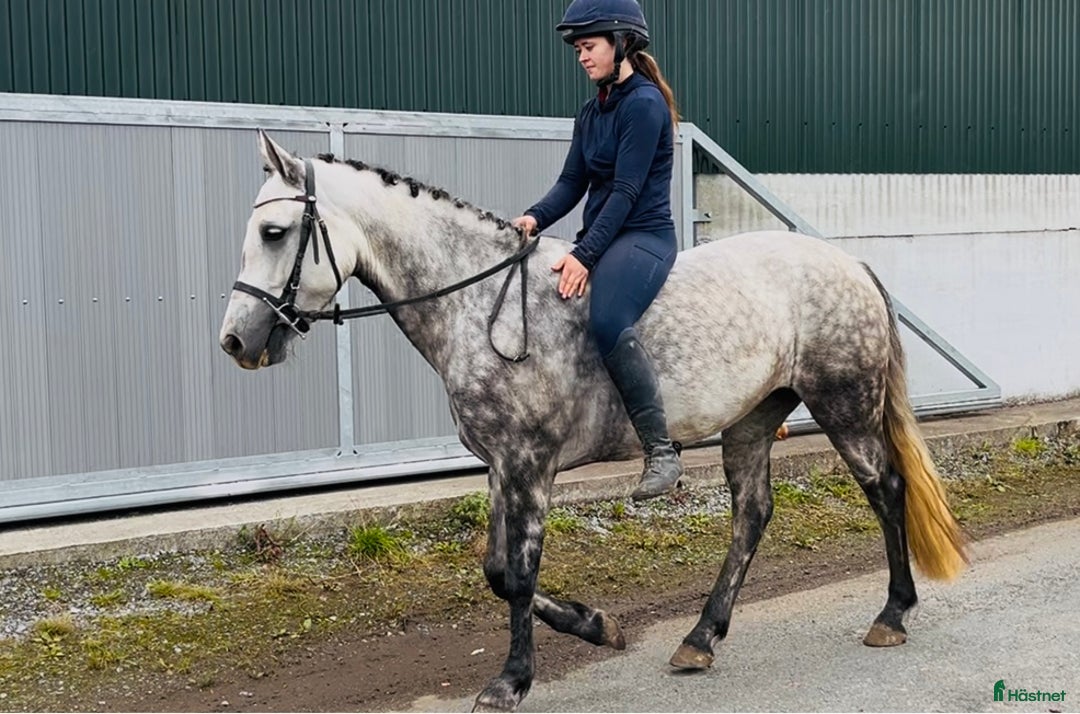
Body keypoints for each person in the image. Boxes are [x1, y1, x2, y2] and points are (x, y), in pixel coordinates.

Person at [511, 0, 683, 501]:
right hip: (606, 234)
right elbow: (572, 182)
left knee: (606, 320)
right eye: (578, 49)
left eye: (589, 47)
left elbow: (627, 192)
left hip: (644, 236)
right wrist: (534, 218)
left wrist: (584, 254)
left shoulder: (644, 104)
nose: (581, 57)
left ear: (621, 42)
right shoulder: (593, 110)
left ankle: (662, 452)